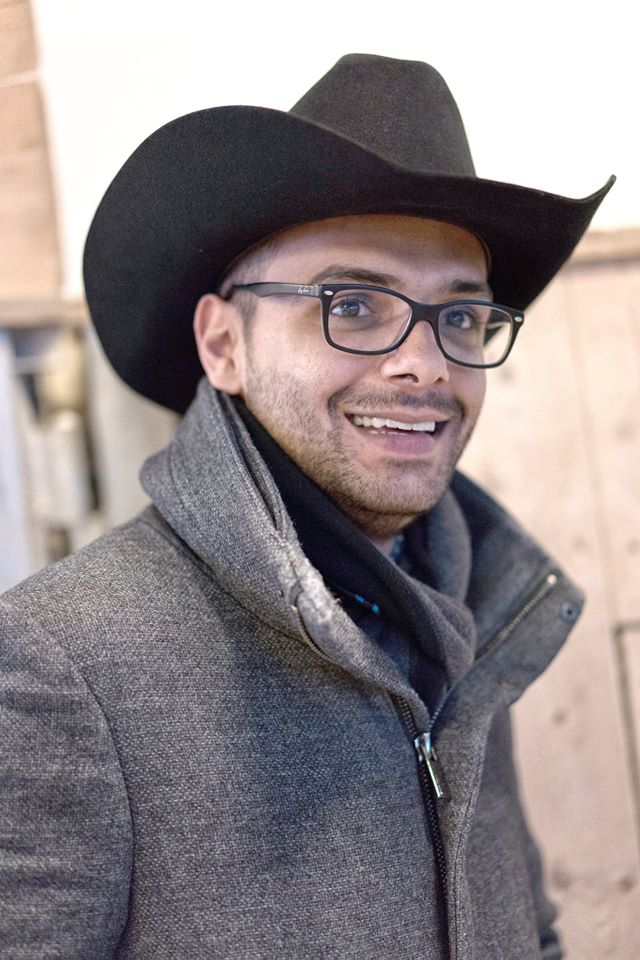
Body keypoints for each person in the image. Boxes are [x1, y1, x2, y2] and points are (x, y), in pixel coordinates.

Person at [0, 53, 613, 959]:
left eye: (460, 317)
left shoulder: (473, 613)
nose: (425, 365)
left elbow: (528, 930)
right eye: (353, 305)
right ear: (224, 345)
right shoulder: (59, 663)